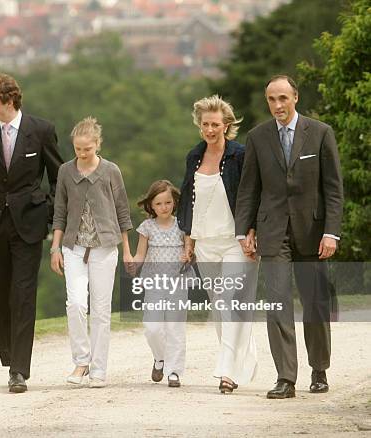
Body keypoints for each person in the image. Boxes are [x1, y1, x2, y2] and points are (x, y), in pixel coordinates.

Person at [235, 75, 343, 399]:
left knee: (315, 303)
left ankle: (319, 370)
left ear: (295, 97)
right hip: (273, 231)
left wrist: (331, 233)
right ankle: (285, 378)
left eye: (283, 98)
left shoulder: (321, 133)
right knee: (277, 302)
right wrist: (244, 230)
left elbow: (333, 189)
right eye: (271, 99)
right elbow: (248, 188)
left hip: (313, 231)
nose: (277, 105)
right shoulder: (257, 137)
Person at [0, 73, 63, 393]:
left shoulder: (41, 130)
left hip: (28, 225)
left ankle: (19, 370)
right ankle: (9, 356)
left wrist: (47, 216)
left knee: (23, 295)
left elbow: (57, 177)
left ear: (8, 101)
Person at [177, 95, 258, 394]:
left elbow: (252, 194)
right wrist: (188, 240)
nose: (210, 129)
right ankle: (240, 363)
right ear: (200, 126)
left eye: (215, 124)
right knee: (221, 305)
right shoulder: (193, 157)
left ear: (226, 125)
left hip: (235, 241)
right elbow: (188, 199)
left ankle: (226, 370)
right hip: (205, 242)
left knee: (229, 300)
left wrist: (252, 231)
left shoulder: (240, 155)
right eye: (205, 124)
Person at [50, 116, 133, 388]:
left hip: (105, 248)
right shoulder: (65, 171)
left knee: (100, 310)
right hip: (73, 247)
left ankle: (99, 369)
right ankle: (81, 362)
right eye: (78, 149)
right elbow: (60, 211)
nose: (82, 153)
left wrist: (128, 251)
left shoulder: (111, 171)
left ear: (97, 144)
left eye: (87, 148)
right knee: (75, 304)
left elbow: (122, 210)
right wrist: (55, 247)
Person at [133, 180, 190, 387]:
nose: (164, 207)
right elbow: (140, 255)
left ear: (174, 202)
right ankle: (160, 358)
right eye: (159, 204)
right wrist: (131, 263)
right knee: (152, 328)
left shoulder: (182, 225)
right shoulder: (146, 227)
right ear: (151, 206)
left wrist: (187, 255)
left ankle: (174, 371)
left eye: (168, 202)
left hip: (178, 282)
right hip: (154, 283)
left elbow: (190, 251)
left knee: (175, 328)